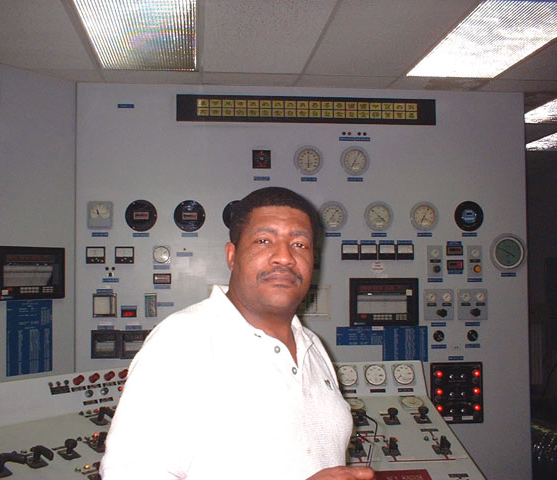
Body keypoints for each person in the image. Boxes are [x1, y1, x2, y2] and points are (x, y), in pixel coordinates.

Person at [100, 187, 375, 480]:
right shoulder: (183, 340)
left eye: (300, 244)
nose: (284, 257)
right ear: (232, 256)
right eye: (264, 240)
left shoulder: (313, 346)